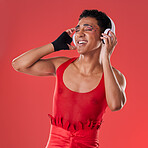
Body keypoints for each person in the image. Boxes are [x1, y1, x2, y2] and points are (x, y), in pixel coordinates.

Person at [12, 9, 127, 148]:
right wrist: (54, 45)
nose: (80, 34)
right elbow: (18, 65)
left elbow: (116, 105)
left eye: (88, 28)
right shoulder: (61, 65)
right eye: (78, 29)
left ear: (105, 36)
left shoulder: (114, 76)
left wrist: (106, 57)